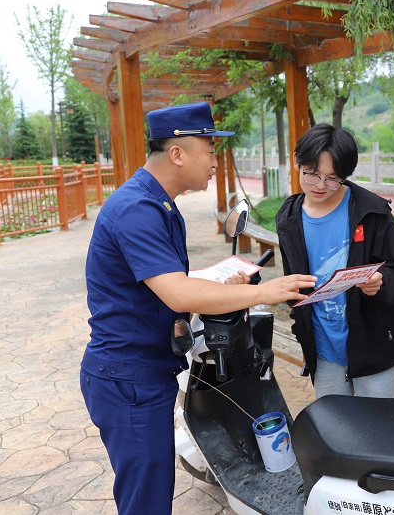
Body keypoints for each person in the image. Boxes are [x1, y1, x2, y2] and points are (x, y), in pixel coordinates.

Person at [80, 101, 315, 515]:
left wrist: (220, 282)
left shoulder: (161, 205)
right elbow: (179, 294)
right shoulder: (138, 209)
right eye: (209, 149)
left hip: (143, 371)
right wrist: (265, 292)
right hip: (129, 376)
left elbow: (169, 283)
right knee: (146, 499)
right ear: (177, 153)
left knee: (152, 488)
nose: (214, 160)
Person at [275, 123, 394, 399]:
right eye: (311, 174)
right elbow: (296, 282)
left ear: (346, 175)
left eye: (332, 178)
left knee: (377, 431)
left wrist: (380, 283)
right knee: (336, 432)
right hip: (323, 349)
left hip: (372, 346)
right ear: (296, 162)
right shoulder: (288, 218)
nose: (321, 186)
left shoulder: (371, 212)